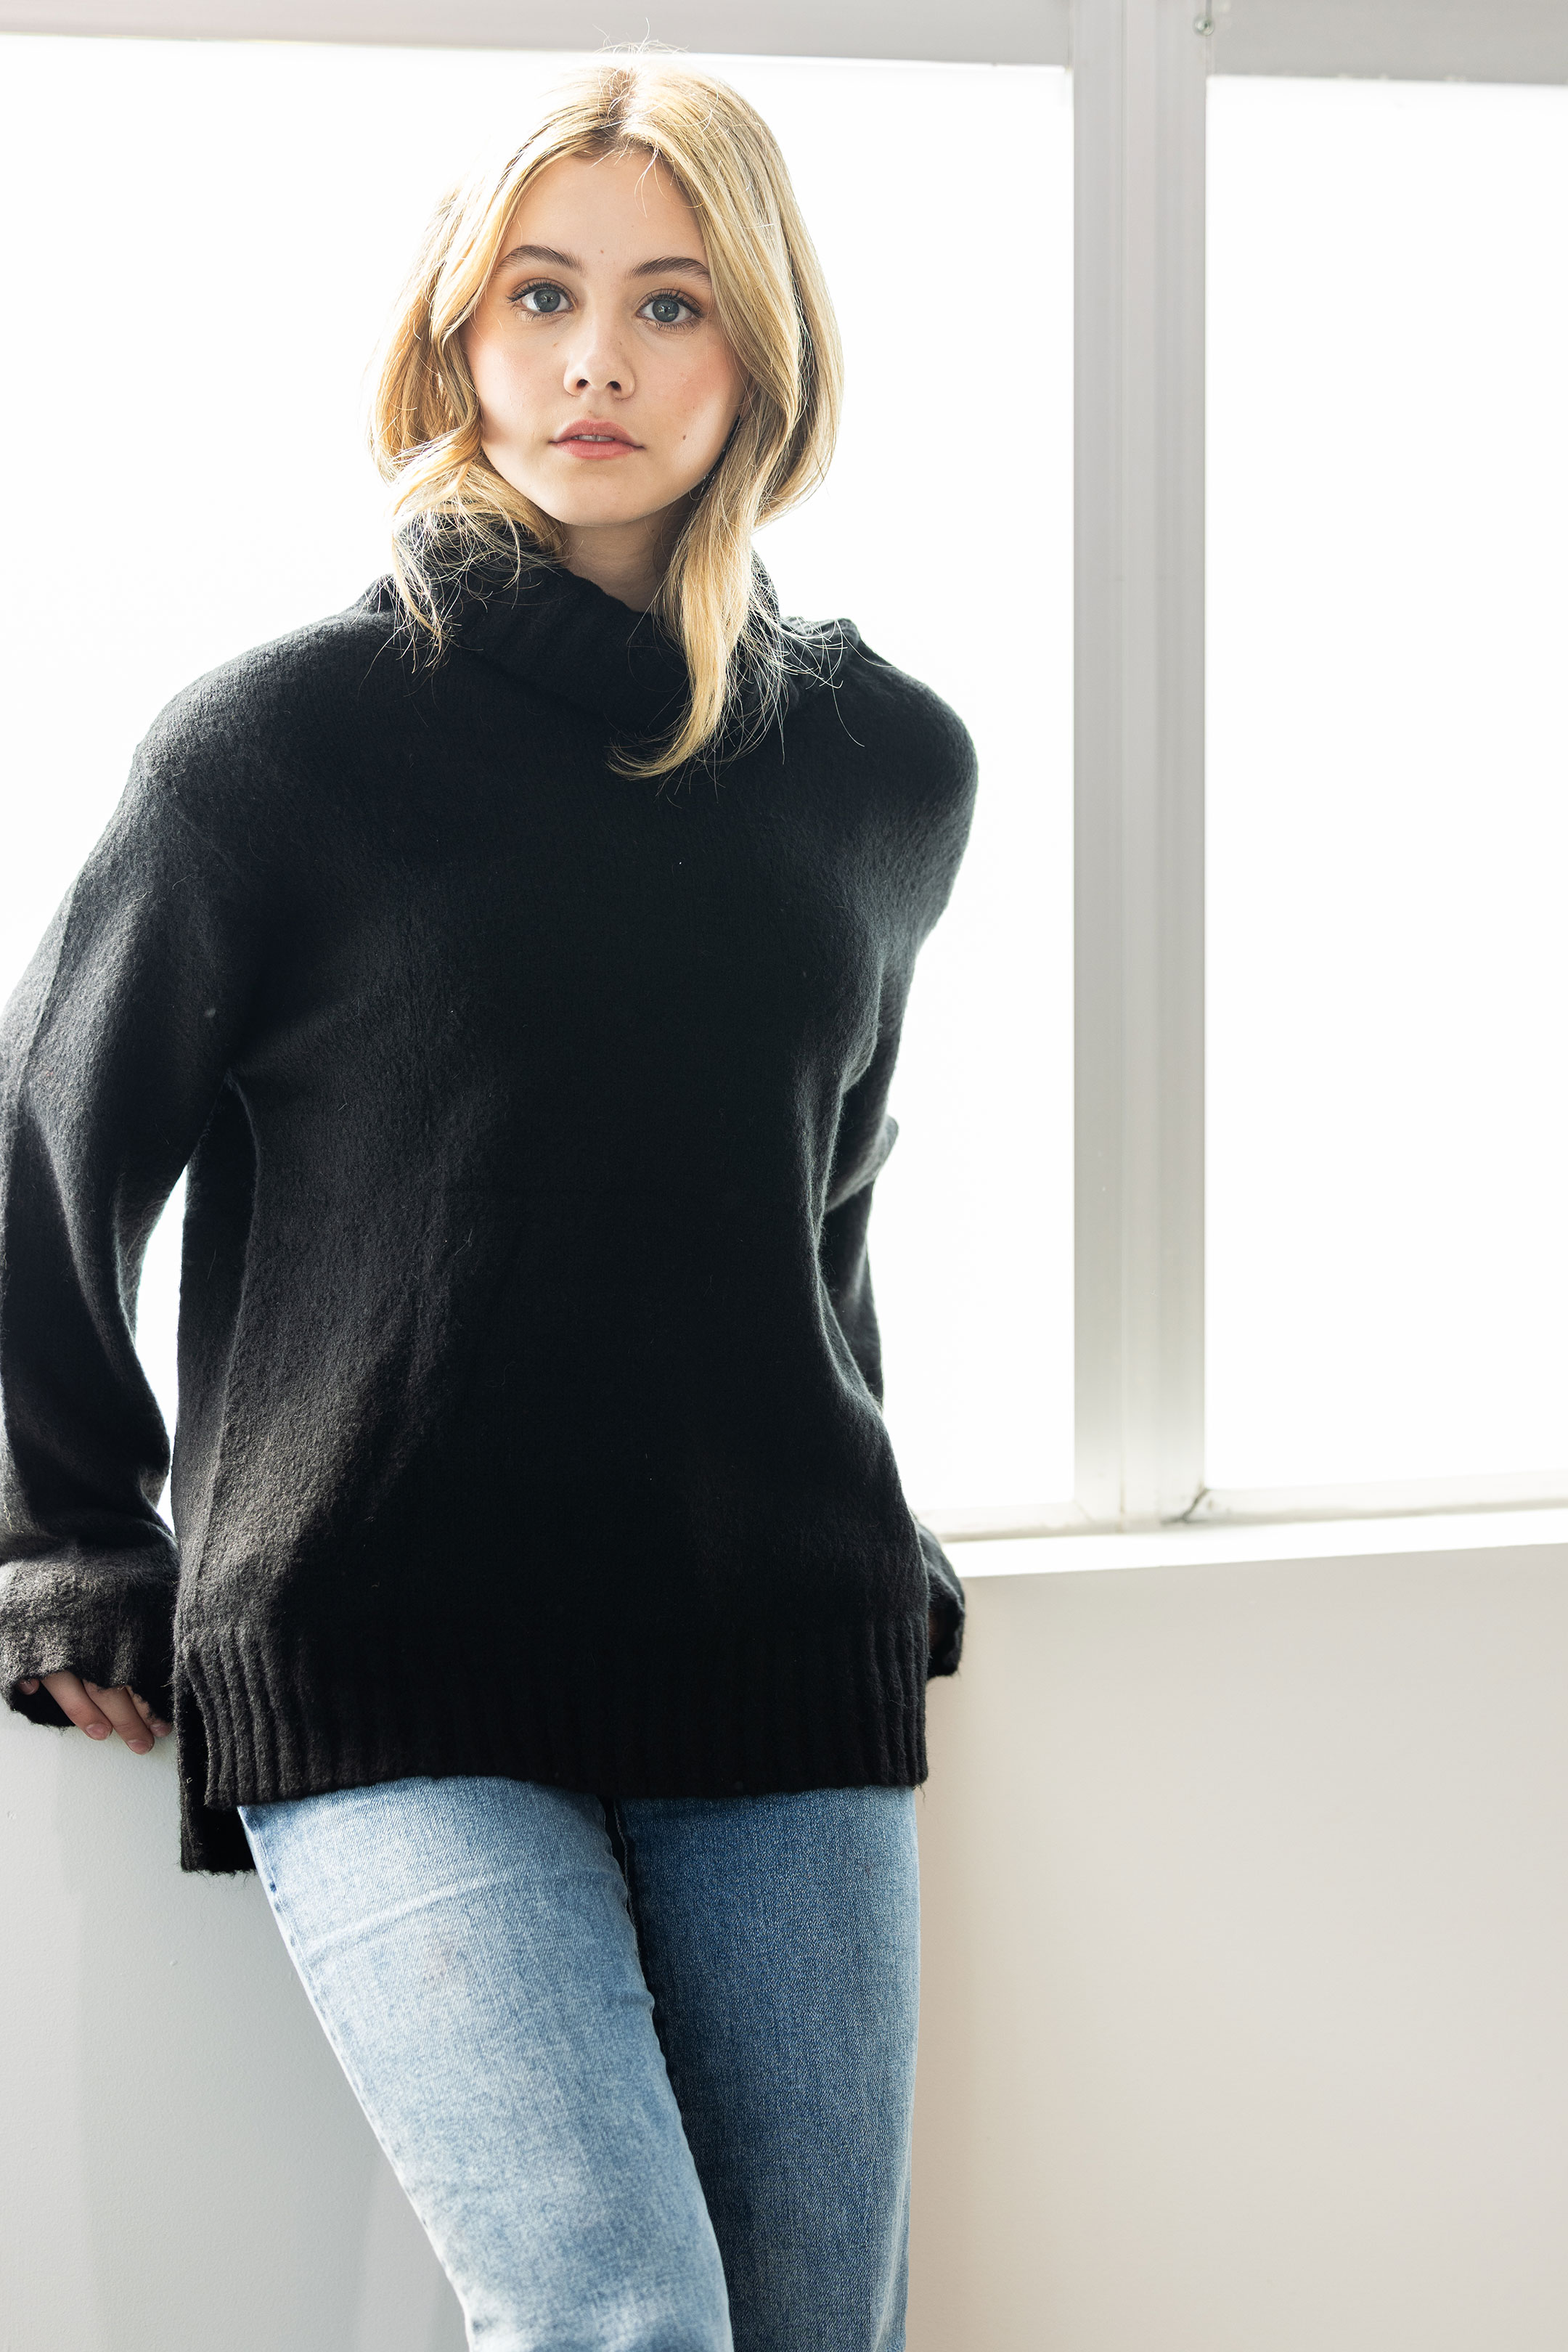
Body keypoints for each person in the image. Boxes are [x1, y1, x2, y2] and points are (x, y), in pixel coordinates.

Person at [0, 53, 978, 2352]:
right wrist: (73, 1539)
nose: (593, 361)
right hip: (387, 1645)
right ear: (457, 335)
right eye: (539, 296)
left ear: (764, 354)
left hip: (775, 1639)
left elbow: (821, 1193)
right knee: (624, 2316)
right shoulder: (278, 747)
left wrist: (877, 1521)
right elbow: (49, 1144)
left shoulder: (885, 765)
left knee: (820, 2329)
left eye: (668, 302)